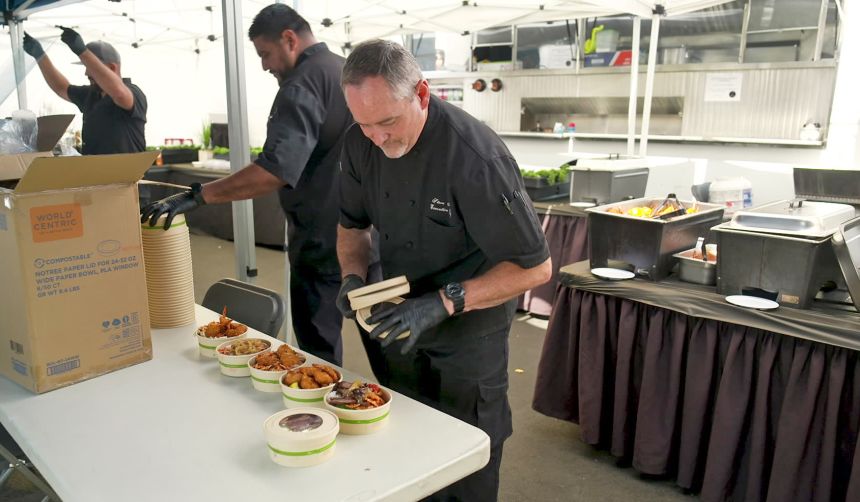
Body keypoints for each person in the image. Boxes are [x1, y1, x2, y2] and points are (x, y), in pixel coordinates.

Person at [335, 40, 552, 501]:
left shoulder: (475, 158)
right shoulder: (360, 142)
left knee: (467, 455)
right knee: (408, 442)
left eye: (388, 121)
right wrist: (351, 278)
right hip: (399, 323)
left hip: (470, 331)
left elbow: (535, 269)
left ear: (422, 93)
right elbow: (351, 228)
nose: (377, 137)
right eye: (364, 124)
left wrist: (442, 302)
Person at [139, 4, 355, 366]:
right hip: (366, 233)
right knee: (383, 339)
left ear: (289, 39)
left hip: (321, 239)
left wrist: (199, 196)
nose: (264, 65)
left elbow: (274, 169)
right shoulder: (345, 71)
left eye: (265, 54)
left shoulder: (300, 86)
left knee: (319, 350)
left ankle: (323, 415)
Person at [22, 28, 147, 154]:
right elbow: (62, 88)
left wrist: (83, 52)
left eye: (90, 67)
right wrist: (40, 56)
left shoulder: (134, 93)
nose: (86, 72)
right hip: (95, 172)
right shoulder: (91, 95)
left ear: (112, 67)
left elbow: (119, 93)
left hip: (128, 173)